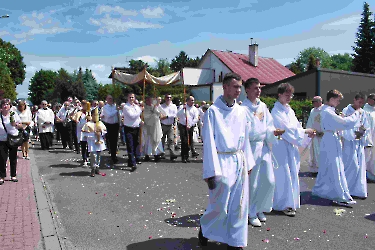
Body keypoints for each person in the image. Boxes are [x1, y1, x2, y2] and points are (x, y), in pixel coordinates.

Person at [199, 72, 255, 250]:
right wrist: (211, 172)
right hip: (221, 161)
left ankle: (236, 241)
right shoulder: (212, 112)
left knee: (239, 203)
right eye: (235, 86)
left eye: (240, 86)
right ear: (224, 87)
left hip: (239, 159)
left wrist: (249, 161)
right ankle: (204, 228)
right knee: (220, 204)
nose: (239, 90)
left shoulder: (241, 111)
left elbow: (246, 138)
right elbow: (208, 143)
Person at [271, 83, 315, 216]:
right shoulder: (276, 111)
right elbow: (286, 130)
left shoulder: (289, 110)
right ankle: (282, 204)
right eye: (287, 94)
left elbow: (296, 125)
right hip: (281, 146)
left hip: (291, 146)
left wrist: (304, 132)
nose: (289, 97)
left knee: (292, 173)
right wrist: (304, 131)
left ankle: (291, 202)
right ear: (279, 94)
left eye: (291, 95)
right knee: (284, 175)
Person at [312, 89, 361, 206]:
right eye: (338, 100)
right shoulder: (328, 111)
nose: (339, 103)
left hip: (330, 139)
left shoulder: (328, 110)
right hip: (330, 140)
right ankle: (339, 194)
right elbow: (343, 123)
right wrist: (356, 115)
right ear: (332, 99)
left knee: (330, 166)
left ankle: (324, 189)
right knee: (334, 167)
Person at [242, 78, 278, 227]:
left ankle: (260, 208)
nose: (258, 90)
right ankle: (250, 212)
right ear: (247, 90)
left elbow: (268, 124)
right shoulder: (243, 108)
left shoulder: (262, 106)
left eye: (259, 88)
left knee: (268, 180)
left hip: (263, 146)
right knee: (253, 183)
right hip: (251, 147)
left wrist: (273, 132)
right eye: (255, 88)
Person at [341, 92, 368, 199]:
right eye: (359, 102)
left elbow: (366, 125)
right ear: (354, 100)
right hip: (348, 142)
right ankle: (346, 188)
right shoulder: (346, 111)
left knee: (359, 166)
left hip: (358, 142)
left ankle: (357, 190)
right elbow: (343, 125)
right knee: (351, 164)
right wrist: (352, 134)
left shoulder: (362, 112)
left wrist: (362, 132)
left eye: (362, 103)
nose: (360, 105)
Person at [0, 99, 22, 184]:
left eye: (7, 104)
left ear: (10, 106)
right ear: (1, 106)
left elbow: (20, 125)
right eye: (4, 104)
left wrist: (15, 124)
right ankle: (2, 176)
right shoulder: (0, 115)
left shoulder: (14, 114)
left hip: (13, 139)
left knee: (13, 158)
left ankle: (13, 175)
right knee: (2, 158)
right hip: (2, 139)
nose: (5, 106)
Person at [81, 108, 107, 177]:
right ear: (92, 115)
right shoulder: (88, 124)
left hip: (99, 141)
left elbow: (104, 131)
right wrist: (93, 134)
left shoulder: (100, 123)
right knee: (93, 155)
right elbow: (84, 134)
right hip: (92, 141)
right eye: (95, 115)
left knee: (98, 155)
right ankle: (93, 168)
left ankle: (97, 167)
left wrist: (100, 132)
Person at [123, 92, 143, 172]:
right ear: (127, 98)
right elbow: (132, 116)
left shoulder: (136, 107)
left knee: (135, 145)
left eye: (132, 97)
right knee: (130, 145)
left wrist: (140, 121)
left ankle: (130, 161)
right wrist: (140, 110)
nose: (131, 99)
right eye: (130, 97)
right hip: (128, 128)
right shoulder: (126, 107)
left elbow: (137, 117)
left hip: (136, 128)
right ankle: (133, 163)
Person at [176, 96, 200, 163]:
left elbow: (196, 118)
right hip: (182, 125)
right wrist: (182, 110)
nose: (193, 102)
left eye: (193, 100)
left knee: (189, 142)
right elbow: (177, 115)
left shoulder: (195, 109)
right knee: (184, 141)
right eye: (191, 100)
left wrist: (190, 124)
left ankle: (187, 156)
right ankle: (183, 156)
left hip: (190, 126)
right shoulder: (182, 107)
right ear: (188, 101)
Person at [306, 96, 324, 174]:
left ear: (319, 102)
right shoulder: (312, 111)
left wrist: (323, 131)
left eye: (314, 102)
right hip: (315, 135)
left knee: (321, 152)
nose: (313, 104)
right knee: (314, 152)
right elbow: (310, 121)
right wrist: (309, 131)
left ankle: (322, 169)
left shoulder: (325, 110)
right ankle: (314, 170)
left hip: (323, 135)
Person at [142, 96, 164, 162]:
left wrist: (155, 109)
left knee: (156, 140)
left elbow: (160, 114)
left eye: (150, 100)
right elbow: (145, 116)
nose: (149, 101)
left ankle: (156, 154)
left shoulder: (155, 106)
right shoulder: (144, 108)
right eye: (148, 100)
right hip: (147, 126)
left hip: (155, 126)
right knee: (147, 141)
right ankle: (147, 155)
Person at [100, 95, 120, 164]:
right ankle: (112, 156)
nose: (110, 100)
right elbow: (109, 115)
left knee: (115, 141)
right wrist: (116, 110)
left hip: (116, 125)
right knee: (111, 141)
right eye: (109, 98)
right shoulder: (105, 107)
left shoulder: (115, 106)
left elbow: (119, 115)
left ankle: (114, 155)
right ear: (106, 99)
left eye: (111, 98)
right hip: (109, 125)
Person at [160, 94, 178, 161]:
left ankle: (172, 153)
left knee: (171, 139)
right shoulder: (161, 106)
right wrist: (166, 116)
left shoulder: (173, 106)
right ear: (165, 98)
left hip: (170, 125)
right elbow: (160, 116)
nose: (169, 99)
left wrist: (167, 116)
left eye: (170, 97)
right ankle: (161, 153)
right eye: (167, 97)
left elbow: (175, 114)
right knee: (162, 140)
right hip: (163, 125)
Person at [73, 100, 91, 167]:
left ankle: (87, 157)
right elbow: (75, 119)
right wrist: (77, 120)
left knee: (89, 146)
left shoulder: (89, 112)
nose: (86, 106)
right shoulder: (79, 112)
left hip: (89, 131)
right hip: (82, 131)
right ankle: (84, 159)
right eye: (85, 105)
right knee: (83, 146)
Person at [363, 93, 375, 181]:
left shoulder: (373, 110)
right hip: (370, 139)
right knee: (368, 157)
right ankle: (367, 176)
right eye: (374, 99)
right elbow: (365, 127)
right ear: (369, 100)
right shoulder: (365, 111)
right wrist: (367, 140)